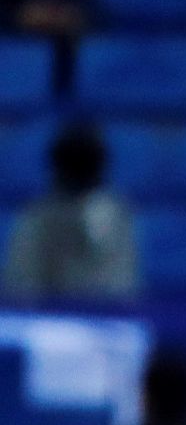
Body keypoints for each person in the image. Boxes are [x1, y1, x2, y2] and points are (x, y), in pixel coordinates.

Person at [2, 122, 138, 303]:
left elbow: (122, 290)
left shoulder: (114, 217)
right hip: (46, 322)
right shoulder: (37, 218)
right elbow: (20, 289)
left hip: (102, 323)